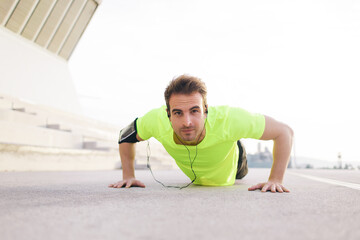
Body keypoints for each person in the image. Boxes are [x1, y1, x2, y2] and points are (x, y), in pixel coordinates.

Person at [109, 75, 293, 193]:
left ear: (206, 110)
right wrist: (128, 176)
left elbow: (284, 132)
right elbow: (125, 136)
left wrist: (275, 179)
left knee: (240, 170)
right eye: (178, 113)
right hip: (200, 173)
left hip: (232, 163)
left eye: (195, 111)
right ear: (168, 114)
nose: (187, 122)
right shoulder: (155, 120)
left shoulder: (229, 119)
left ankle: (234, 144)